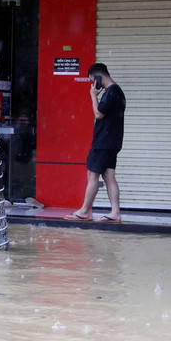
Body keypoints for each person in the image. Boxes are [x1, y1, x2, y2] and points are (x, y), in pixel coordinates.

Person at [65, 63, 126, 223]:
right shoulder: (118, 92)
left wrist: (93, 95)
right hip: (113, 141)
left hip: (103, 142)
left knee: (92, 175)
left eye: (93, 80)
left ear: (98, 76)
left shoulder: (111, 92)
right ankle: (115, 213)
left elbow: (99, 114)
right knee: (109, 176)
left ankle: (84, 211)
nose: (93, 84)